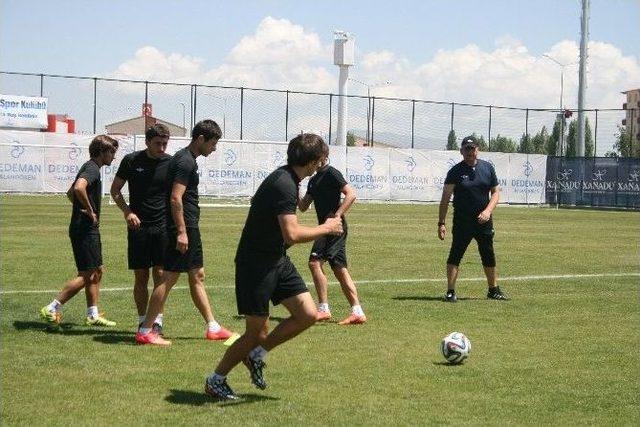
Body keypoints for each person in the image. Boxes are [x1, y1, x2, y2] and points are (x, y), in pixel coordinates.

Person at [204, 133, 343, 400]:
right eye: (320, 160)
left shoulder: (290, 179)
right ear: (312, 161)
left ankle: (257, 355)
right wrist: (326, 228)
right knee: (255, 331)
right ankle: (215, 379)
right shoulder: (284, 184)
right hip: (256, 264)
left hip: (276, 260)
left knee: (308, 314)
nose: (321, 165)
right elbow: (291, 233)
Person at [135, 119, 233, 346]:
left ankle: (213, 326)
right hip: (183, 227)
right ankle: (146, 330)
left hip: (189, 226)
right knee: (168, 277)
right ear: (201, 139)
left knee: (197, 275)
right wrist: (181, 231)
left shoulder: (185, 158)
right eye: (213, 143)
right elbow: (175, 197)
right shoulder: (185, 161)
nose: (214, 148)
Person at [39, 135, 120, 326]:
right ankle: (52, 307)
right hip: (84, 230)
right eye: (111, 152)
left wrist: (80, 209)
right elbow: (78, 188)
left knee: (97, 271)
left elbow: (70, 193)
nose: (113, 157)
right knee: (87, 275)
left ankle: (93, 314)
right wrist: (90, 211)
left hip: (83, 228)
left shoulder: (90, 167)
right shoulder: (92, 168)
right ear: (101, 152)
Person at [110, 123, 172, 333]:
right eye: (157, 144)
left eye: (165, 143)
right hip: (138, 228)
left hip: (163, 226)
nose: (162, 148)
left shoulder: (170, 163)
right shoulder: (131, 161)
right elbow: (115, 190)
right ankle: (142, 319)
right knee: (141, 276)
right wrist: (127, 212)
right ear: (147, 142)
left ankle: (157, 321)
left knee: (161, 274)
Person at [437, 135, 509, 302]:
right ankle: (450, 291)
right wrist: (441, 222)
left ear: (478, 149)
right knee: (455, 254)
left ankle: (493, 289)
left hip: (483, 221)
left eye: (473, 148)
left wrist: (488, 211)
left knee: (488, 254)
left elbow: (496, 192)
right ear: (461, 151)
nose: (470, 152)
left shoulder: (488, 168)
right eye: (467, 149)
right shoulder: (455, 171)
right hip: (462, 221)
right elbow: (445, 198)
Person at [298, 156, 366, 325]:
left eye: (317, 157)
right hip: (324, 228)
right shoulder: (313, 180)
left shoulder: (332, 173)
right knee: (327, 265)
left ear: (324, 157)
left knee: (325, 265)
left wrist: (337, 215)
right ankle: (343, 310)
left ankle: (338, 310)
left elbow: (351, 194)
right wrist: (296, 189)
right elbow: (304, 206)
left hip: (335, 227)